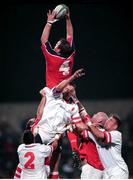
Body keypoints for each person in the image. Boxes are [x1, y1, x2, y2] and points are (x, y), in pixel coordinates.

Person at [41, 9, 75, 88]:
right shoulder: (71, 55)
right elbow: (70, 35)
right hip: (66, 90)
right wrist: (68, 19)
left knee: (43, 96)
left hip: (53, 93)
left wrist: (49, 22)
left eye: (56, 44)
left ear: (59, 49)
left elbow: (43, 40)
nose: (54, 45)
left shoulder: (52, 56)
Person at [87, 114, 129, 179]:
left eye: (111, 120)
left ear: (115, 126)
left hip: (118, 170)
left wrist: (90, 125)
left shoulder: (116, 134)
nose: (107, 121)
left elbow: (100, 135)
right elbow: (84, 129)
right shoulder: (98, 131)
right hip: (106, 172)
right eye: (108, 119)